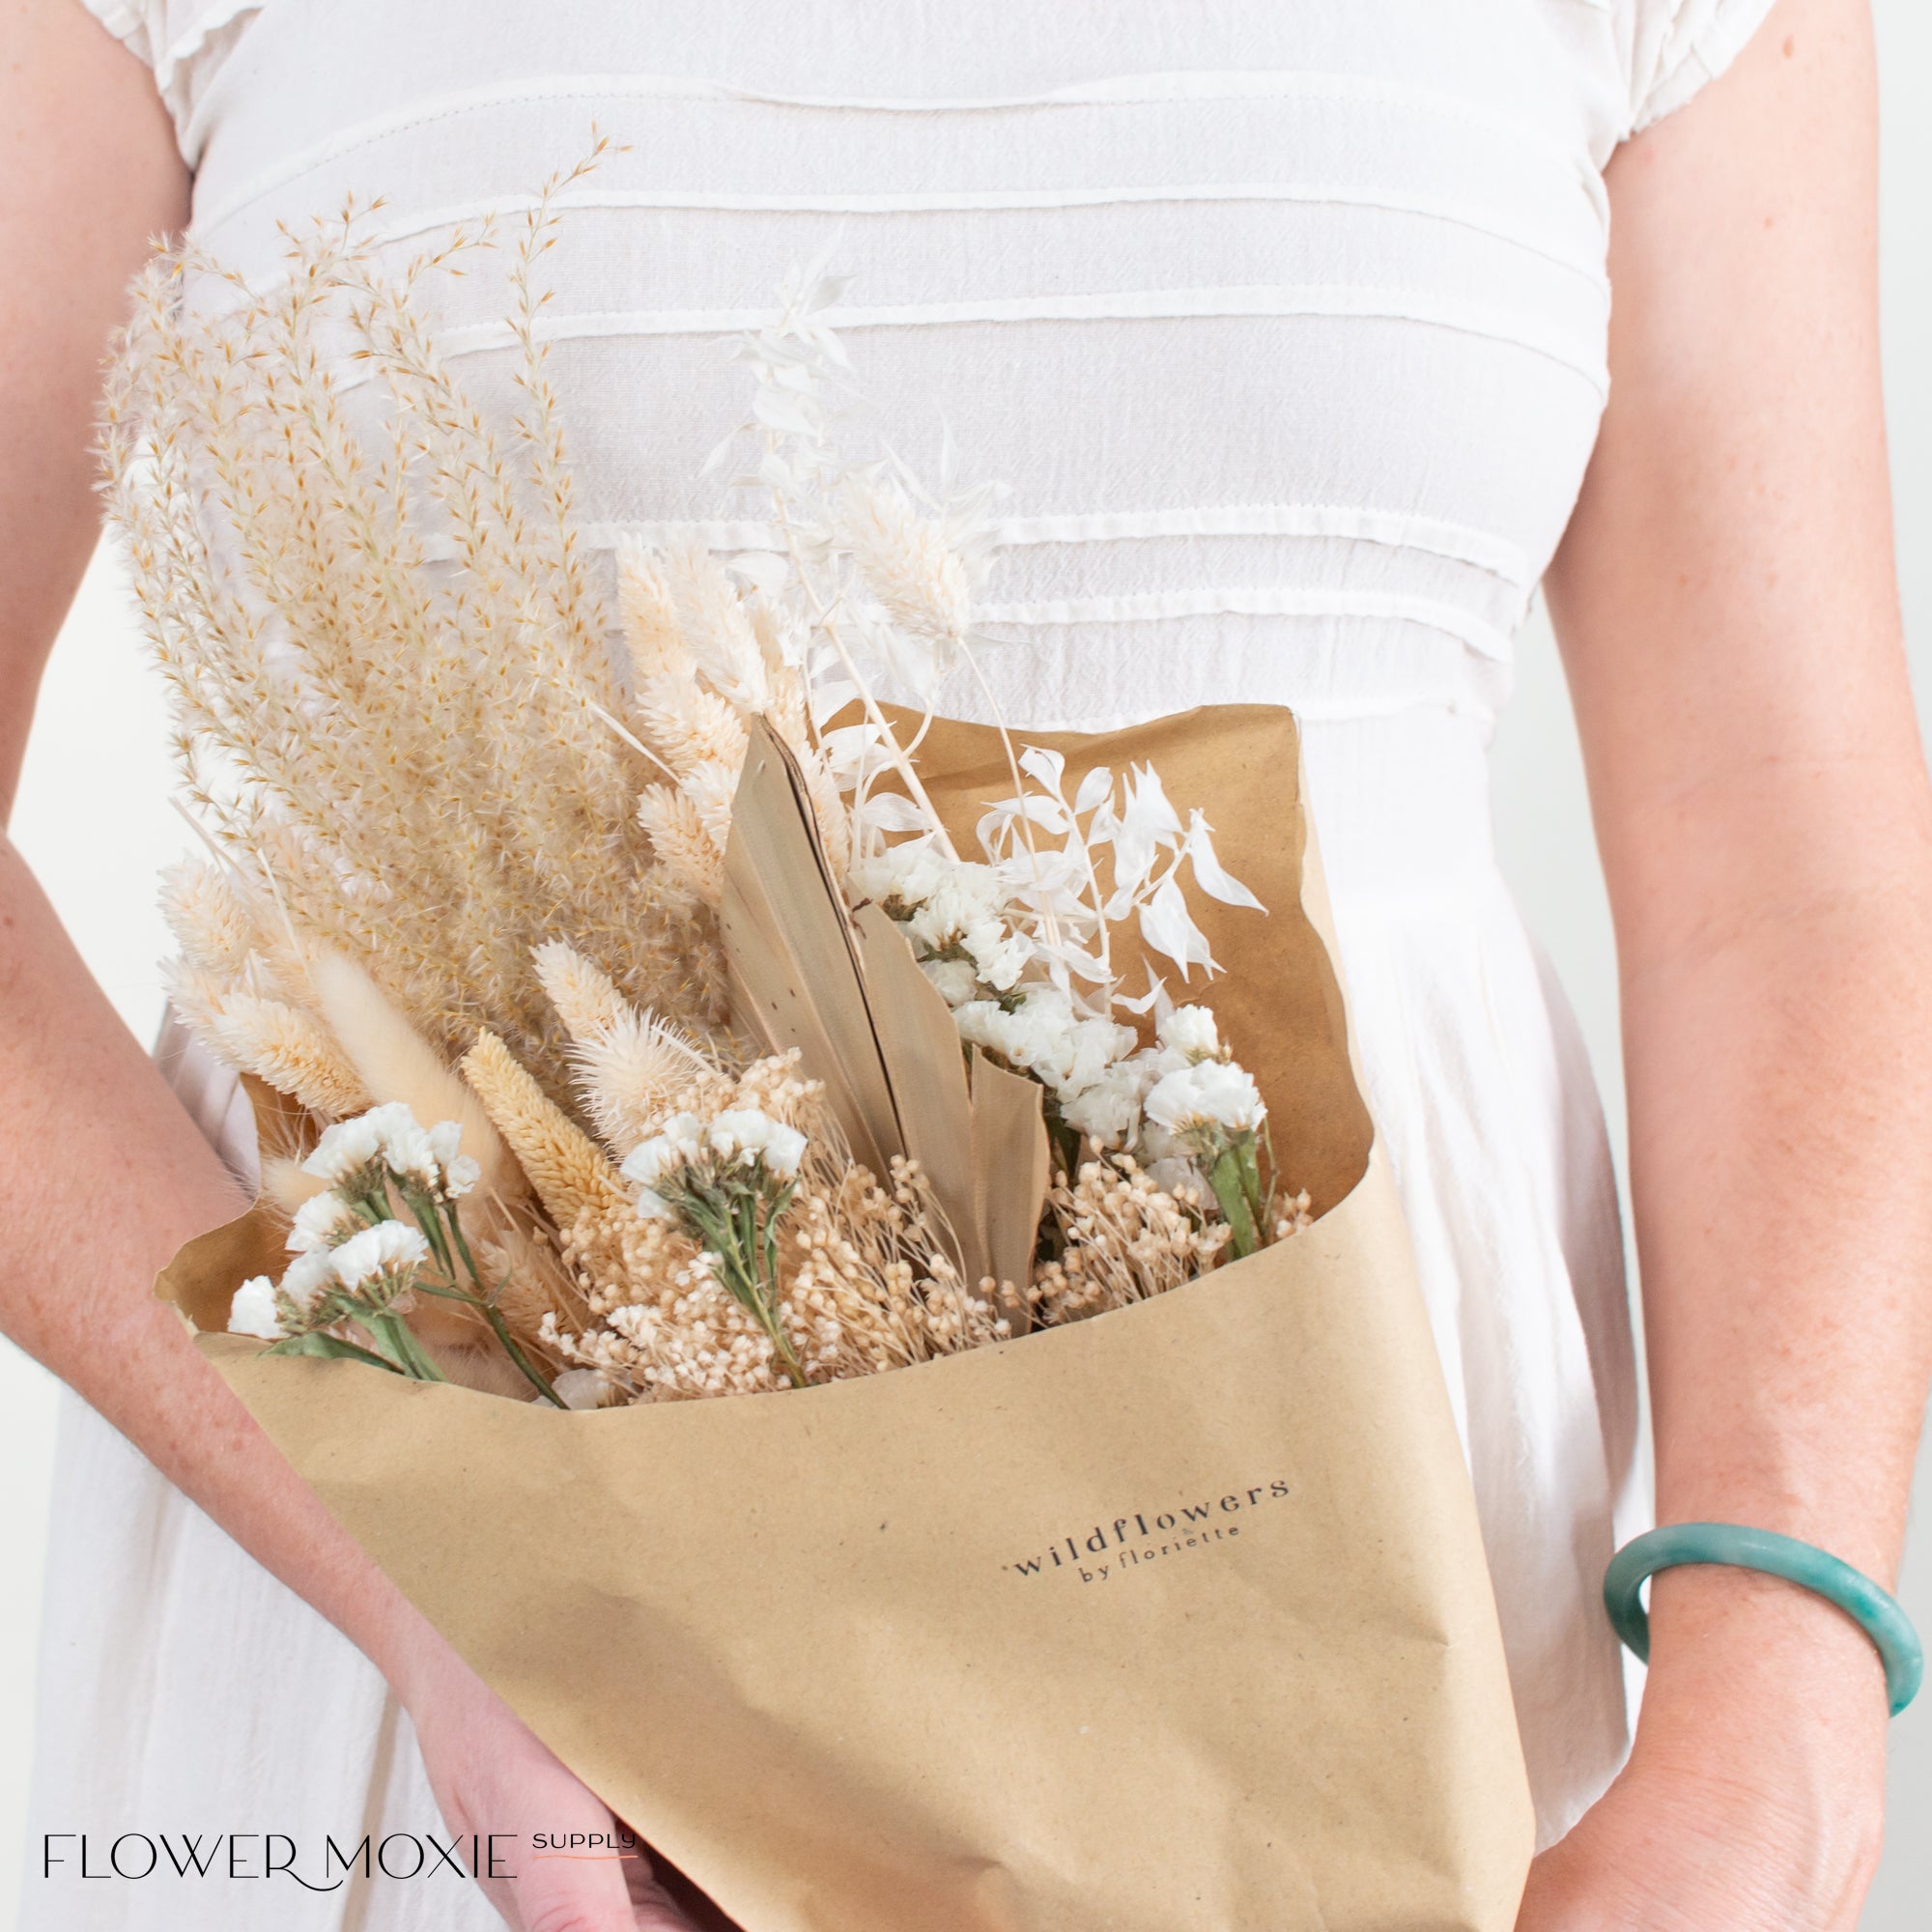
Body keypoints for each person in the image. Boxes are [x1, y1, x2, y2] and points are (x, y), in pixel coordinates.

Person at [4, 0, 1927, 1926]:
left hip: (1386, 1658)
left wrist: (1782, 1671)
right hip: (477, 1664)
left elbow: (1784, 869)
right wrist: (433, 1594)